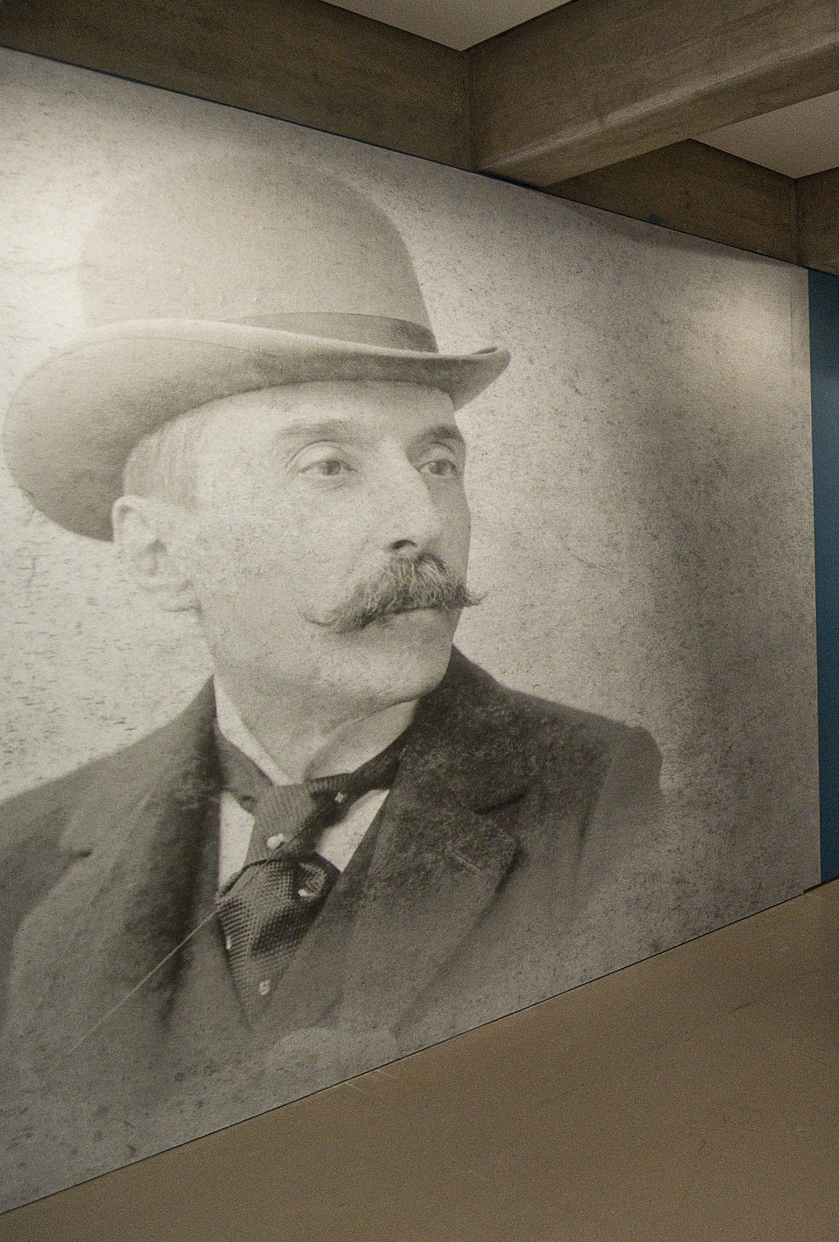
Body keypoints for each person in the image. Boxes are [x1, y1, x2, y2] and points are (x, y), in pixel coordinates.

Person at [0, 161, 664, 1189]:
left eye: (438, 461)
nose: (422, 521)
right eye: (328, 465)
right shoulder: (25, 858)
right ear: (159, 555)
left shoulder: (598, 793)